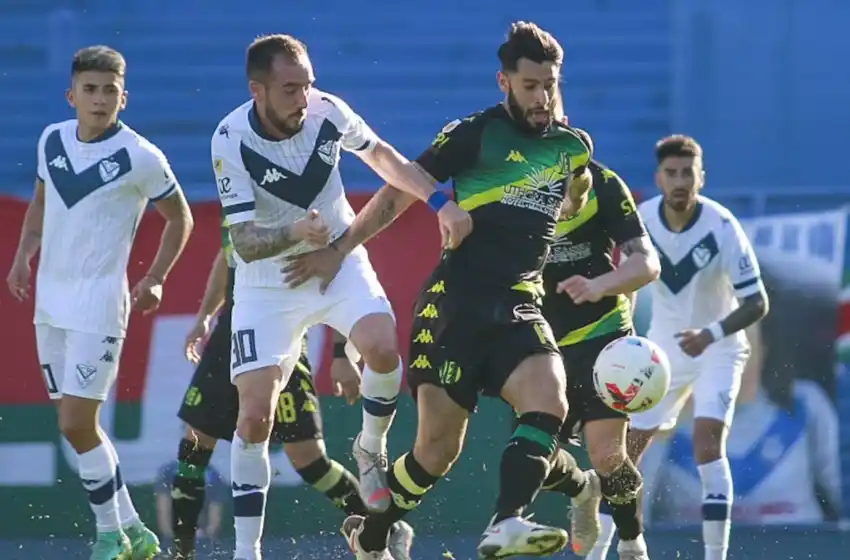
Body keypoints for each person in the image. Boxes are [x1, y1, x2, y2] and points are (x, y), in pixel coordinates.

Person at [285, 21, 595, 560]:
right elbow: (397, 193)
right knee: (435, 451)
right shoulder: (474, 134)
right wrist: (339, 249)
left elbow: (577, 184)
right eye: (530, 86)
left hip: (520, 301)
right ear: (504, 82)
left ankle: (507, 521)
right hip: (455, 303)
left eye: (550, 84)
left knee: (550, 399)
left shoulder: (573, 147)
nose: (543, 97)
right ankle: (372, 535)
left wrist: (570, 202)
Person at [212, 34, 472, 560]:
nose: (302, 98)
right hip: (268, 284)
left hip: (337, 257)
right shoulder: (229, 139)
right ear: (257, 90)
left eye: (306, 84)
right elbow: (241, 241)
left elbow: (384, 159)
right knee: (254, 417)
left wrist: (438, 202)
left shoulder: (327, 111)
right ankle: (247, 551)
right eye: (289, 89)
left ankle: (369, 447)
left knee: (381, 347)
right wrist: (292, 236)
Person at [5, 46, 194, 560]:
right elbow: (42, 201)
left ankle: (109, 534)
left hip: (98, 307)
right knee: (75, 426)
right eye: (90, 89)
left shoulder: (141, 156)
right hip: (50, 304)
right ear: (71, 95)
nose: (100, 98)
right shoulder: (52, 140)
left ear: (123, 97)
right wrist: (24, 255)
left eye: (110, 90)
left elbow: (182, 218)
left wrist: (155, 277)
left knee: (75, 424)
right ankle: (133, 530)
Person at [169, 217, 413, 559]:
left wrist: (342, 353)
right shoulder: (236, 198)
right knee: (193, 447)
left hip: (279, 341)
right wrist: (204, 317)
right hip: (230, 338)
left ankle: (382, 528)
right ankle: (183, 552)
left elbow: (343, 271)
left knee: (309, 458)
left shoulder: (299, 206)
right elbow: (226, 259)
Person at [591, 135, 769, 560]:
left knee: (707, 444)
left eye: (687, 173)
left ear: (700, 178)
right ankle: (600, 551)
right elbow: (627, 283)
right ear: (658, 178)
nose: (679, 181)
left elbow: (757, 301)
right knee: (622, 451)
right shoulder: (642, 220)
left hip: (719, 348)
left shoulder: (722, 226)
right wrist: (625, 336)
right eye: (671, 173)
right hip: (662, 353)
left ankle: (714, 555)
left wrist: (711, 333)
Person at [536, 159, 659, 560]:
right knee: (538, 459)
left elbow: (647, 263)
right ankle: (582, 489)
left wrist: (599, 285)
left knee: (607, 455)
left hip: (602, 334)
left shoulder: (604, 183)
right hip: (537, 340)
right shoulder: (508, 182)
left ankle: (630, 540)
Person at [642, 278, 840, 526]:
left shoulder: (806, 405)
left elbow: (842, 506)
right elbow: (633, 524)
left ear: (764, 341)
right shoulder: (660, 416)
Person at [155, 456, 228, 550]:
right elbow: (163, 510)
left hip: (200, 539)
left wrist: (205, 536)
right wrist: (171, 536)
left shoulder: (212, 475)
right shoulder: (170, 471)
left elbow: (215, 517)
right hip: (177, 539)